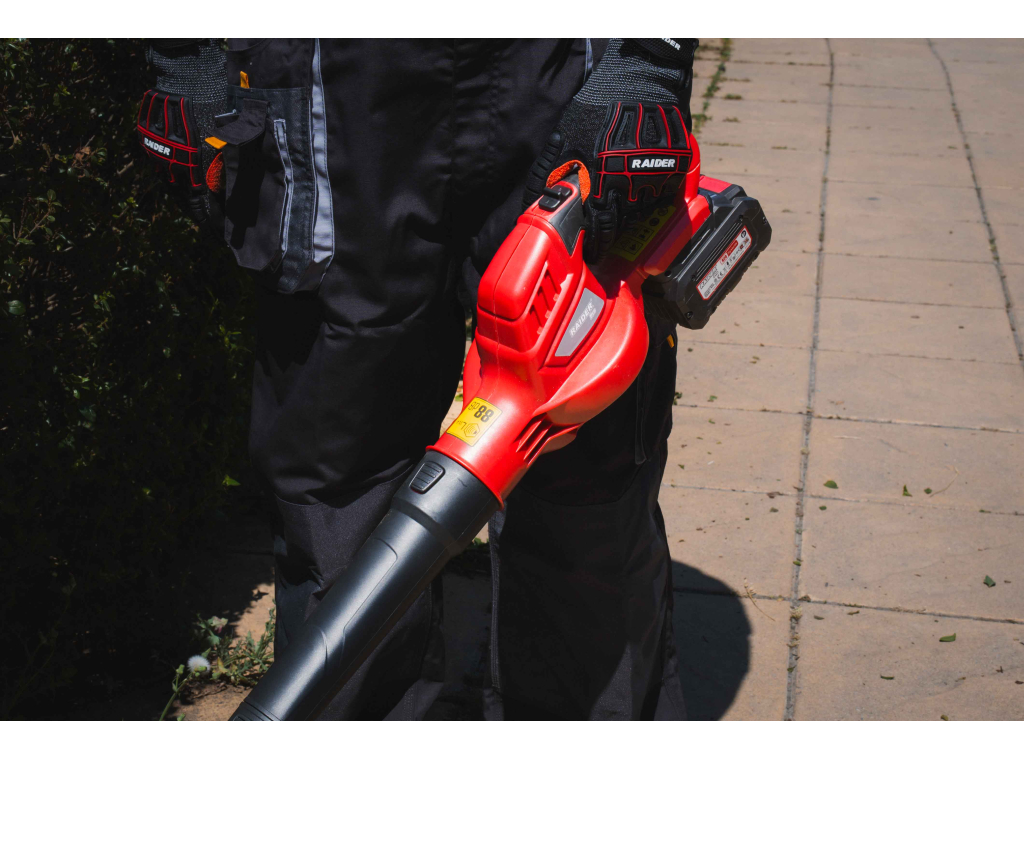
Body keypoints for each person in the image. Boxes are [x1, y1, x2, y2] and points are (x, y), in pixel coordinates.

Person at [138, 38, 699, 720]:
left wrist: (647, 61)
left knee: (583, 470)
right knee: (338, 476)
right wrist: (184, 53)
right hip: (334, 94)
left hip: (561, 69)